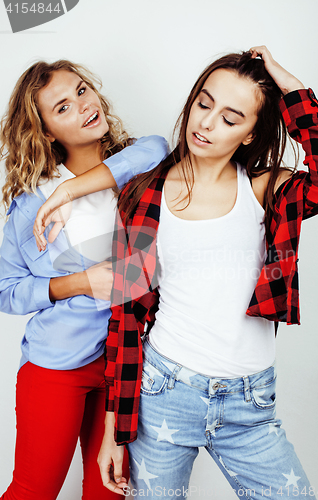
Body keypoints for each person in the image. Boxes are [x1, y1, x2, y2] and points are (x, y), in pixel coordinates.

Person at [95, 46, 318, 498]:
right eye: (204, 104)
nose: (206, 123)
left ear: (249, 134)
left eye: (230, 117)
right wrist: (113, 433)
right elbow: (125, 313)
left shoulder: (265, 188)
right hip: (164, 392)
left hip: (251, 403)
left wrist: (289, 87)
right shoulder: (143, 196)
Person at [0, 59, 168, 500]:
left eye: (80, 90)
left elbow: (157, 145)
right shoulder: (32, 207)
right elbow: (6, 290)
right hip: (58, 366)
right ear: (47, 131)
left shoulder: (143, 169)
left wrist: (72, 190)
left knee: (109, 492)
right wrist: (78, 283)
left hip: (128, 364)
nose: (82, 105)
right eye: (62, 107)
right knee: (34, 490)